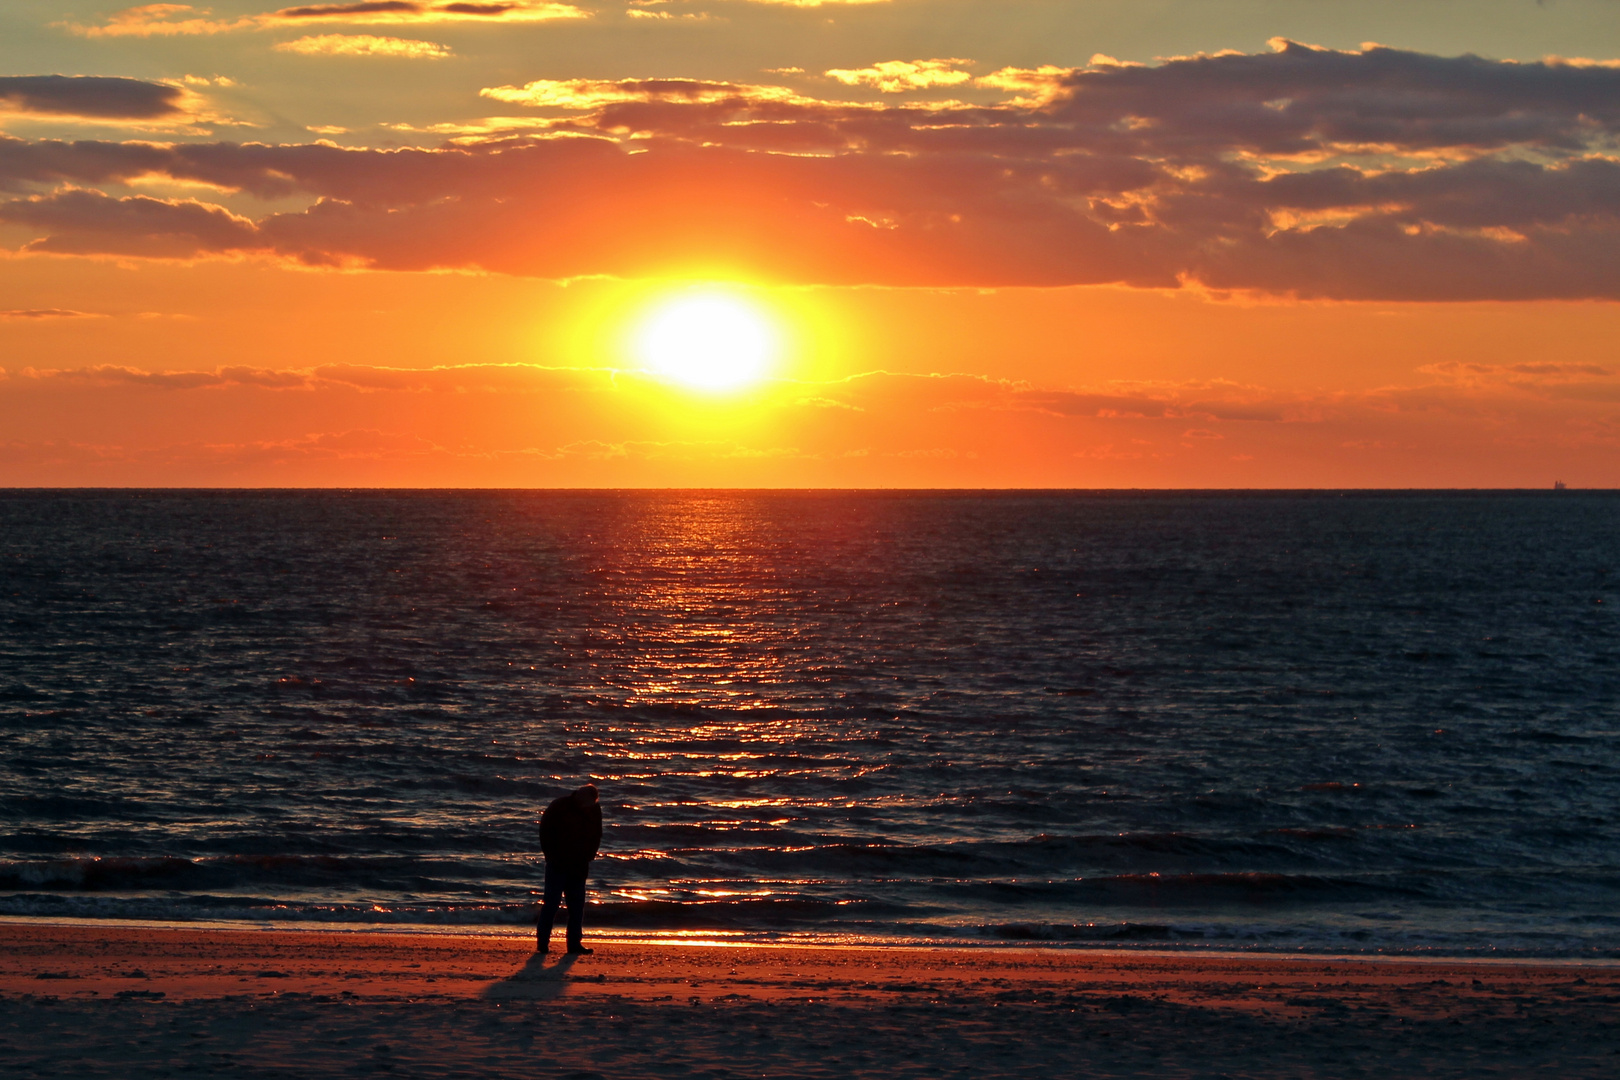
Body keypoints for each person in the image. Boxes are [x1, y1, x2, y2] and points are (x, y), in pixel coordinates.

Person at [537, 783, 602, 954]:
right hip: (557, 864)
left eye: (591, 805)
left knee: (577, 906)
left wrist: (590, 854)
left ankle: (574, 944)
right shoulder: (559, 806)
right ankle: (542, 943)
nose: (588, 808)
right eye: (587, 804)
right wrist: (550, 856)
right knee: (551, 904)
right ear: (580, 796)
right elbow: (545, 831)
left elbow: (597, 833)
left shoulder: (595, 809)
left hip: (579, 865)